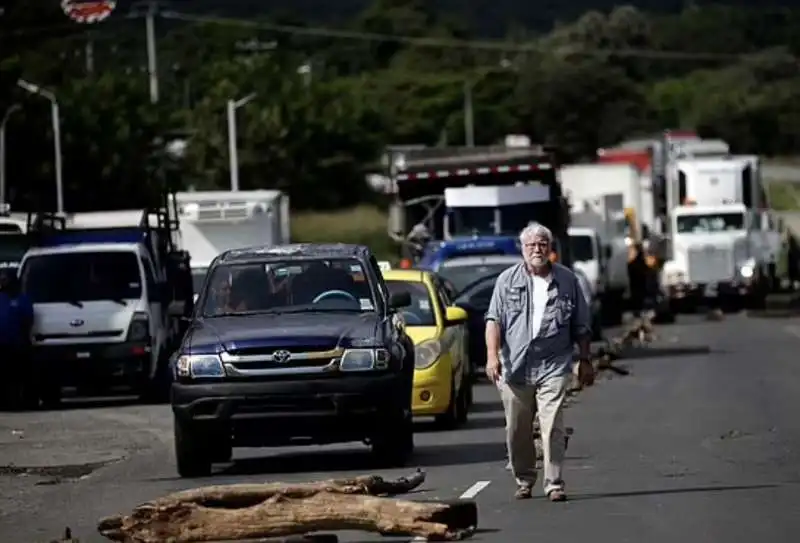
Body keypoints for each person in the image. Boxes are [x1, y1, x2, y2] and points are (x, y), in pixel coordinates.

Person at [485, 222, 594, 501]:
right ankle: (524, 478)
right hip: (515, 366)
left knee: (553, 424)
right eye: (531, 245)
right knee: (517, 430)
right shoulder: (506, 281)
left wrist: (585, 359)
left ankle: (554, 483)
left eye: (542, 244)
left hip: (554, 364)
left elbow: (581, 324)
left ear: (550, 248)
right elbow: (493, 321)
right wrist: (491, 357)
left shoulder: (568, 280)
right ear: (522, 249)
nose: (537, 249)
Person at [0, 268, 35, 410]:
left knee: (17, 376)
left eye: (4, 279)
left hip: (17, 344)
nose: (2, 282)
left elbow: (28, 318)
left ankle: (19, 402)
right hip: (1, 345)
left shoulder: (21, 298)